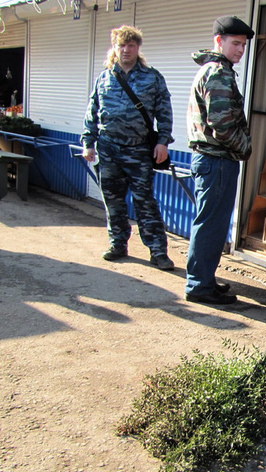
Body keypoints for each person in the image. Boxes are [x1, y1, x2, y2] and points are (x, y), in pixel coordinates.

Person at [82, 25, 175, 271]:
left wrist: (162, 142)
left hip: (138, 151)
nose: (126, 50)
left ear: (138, 48)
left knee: (146, 202)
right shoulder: (104, 77)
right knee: (113, 202)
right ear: (115, 47)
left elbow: (164, 112)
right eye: (122, 45)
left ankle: (157, 251)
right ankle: (118, 245)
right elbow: (92, 112)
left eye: (131, 45)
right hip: (109, 150)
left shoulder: (152, 77)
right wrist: (88, 143)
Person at [184, 16, 254, 305]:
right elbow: (222, 125)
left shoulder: (212, 70)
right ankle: (200, 286)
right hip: (217, 160)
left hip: (211, 160)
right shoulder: (219, 73)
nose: (240, 50)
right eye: (235, 43)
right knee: (211, 224)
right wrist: (245, 149)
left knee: (209, 222)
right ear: (219, 41)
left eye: (244, 45)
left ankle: (204, 279)